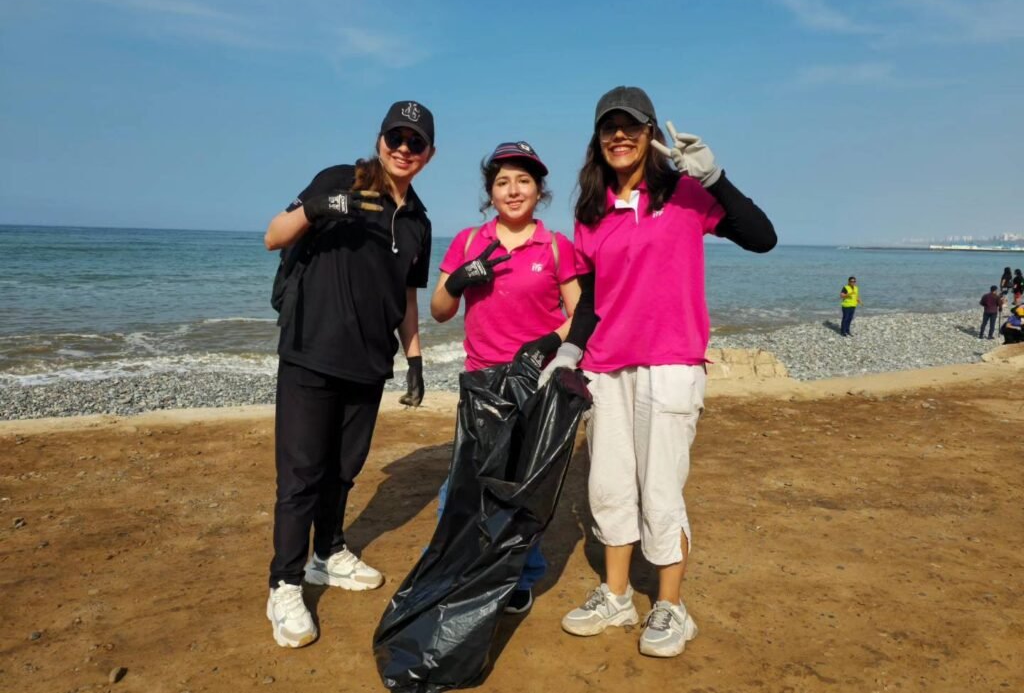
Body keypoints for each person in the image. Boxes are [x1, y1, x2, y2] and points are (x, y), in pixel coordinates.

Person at [536, 86, 776, 658]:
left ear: (650, 134)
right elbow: (592, 297)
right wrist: (569, 352)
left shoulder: (686, 194)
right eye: (609, 127)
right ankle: (617, 596)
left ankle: (671, 607)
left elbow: (762, 238)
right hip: (606, 368)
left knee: (661, 491)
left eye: (632, 126)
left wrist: (716, 178)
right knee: (609, 488)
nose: (620, 136)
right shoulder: (590, 212)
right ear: (598, 139)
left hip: (670, 364)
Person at [262, 100, 435, 648]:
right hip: (311, 351)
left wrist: (414, 359)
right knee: (301, 476)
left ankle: (328, 553)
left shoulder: (418, 221)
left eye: (415, 141)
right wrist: (318, 208)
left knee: (343, 470)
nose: (403, 148)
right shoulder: (341, 179)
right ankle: (285, 584)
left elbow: (406, 294)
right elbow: (273, 235)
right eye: (395, 137)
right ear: (380, 139)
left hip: (369, 362)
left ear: (429, 154)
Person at [430, 140, 580, 614]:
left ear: (539, 191)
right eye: (502, 182)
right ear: (490, 192)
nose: (513, 191)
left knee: (522, 488)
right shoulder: (468, 242)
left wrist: (546, 345)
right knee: (462, 487)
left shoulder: (555, 246)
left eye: (523, 181)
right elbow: (439, 310)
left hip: (535, 382)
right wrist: (458, 280)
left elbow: (580, 314)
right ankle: (458, 569)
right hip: (482, 382)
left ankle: (521, 576)